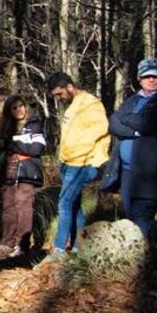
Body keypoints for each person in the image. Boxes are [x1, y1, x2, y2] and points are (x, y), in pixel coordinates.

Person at [101, 59, 157, 237]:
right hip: (127, 172)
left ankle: (141, 250)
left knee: (141, 219)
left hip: (150, 172)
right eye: (147, 76)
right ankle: (143, 247)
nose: (151, 80)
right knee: (131, 217)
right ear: (139, 79)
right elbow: (113, 124)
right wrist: (135, 132)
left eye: (155, 76)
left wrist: (126, 119)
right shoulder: (132, 100)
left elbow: (147, 123)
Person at [47, 72, 110, 254]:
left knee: (64, 203)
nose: (58, 98)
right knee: (74, 205)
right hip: (68, 162)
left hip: (81, 163)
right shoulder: (72, 106)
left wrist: (95, 163)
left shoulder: (91, 104)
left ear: (69, 86)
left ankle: (59, 248)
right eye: (55, 96)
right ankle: (77, 245)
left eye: (59, 94)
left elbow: (102, 133)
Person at [0, 95, 47, 260]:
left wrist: (13, 144)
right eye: (14, 108)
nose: (19, 110)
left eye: (21, 106)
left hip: (28, 171)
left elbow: (37, 148)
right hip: (9, 171)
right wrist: (5, 143)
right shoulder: (6, 128)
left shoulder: (35, 124)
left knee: (23, 206)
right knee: (8, 206)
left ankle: (22, 244)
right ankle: (7, 242)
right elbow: (0, 146)